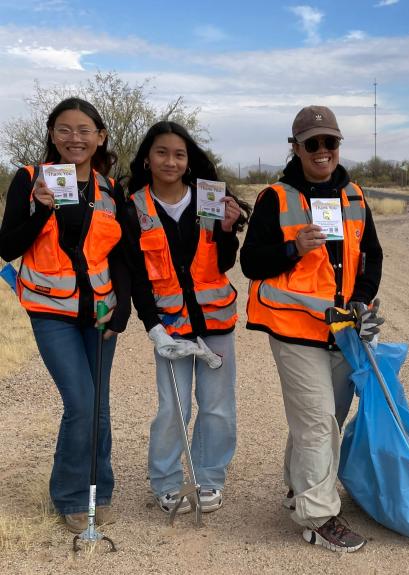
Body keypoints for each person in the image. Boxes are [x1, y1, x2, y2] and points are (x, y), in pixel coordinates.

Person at [241, 105, 383, 552]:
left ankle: (296, 487)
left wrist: (361, 299)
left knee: (323, 420)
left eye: (330, 142)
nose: (323, 151)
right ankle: (318, 516)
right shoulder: (275, 198)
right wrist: (292, 248)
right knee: (319, 421)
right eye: (312, 143)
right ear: (296, 147)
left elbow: (371, 258)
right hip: (294, 328)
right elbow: (250, 264)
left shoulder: (354, 195)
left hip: (342, 329)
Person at [0, 97, 130, 534]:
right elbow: (8, 247)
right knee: (80, 403)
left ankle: (101, 490)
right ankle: (71, 496)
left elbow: (122, 256)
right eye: (64, 129)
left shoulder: (110, 189)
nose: (74, 138)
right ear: (52, 134)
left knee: (99, 406)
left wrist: (121, 311)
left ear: (100, 136)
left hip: (99, 311)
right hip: (51, 311)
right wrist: (41, 211)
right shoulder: (30, 178)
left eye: (84, 130)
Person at [120, 121, 250, 515]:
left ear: (189, 160)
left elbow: (223, 261)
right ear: (147, 158)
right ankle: (166, 481)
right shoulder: (134, 208)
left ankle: (209, 478)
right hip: (170, 329)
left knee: (218, 406)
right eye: (162, 152)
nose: (171, 161)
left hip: (215, 323)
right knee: (173, 408)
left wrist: (227, 230)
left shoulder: (210, 198)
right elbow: (137, 277)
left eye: (179, 154)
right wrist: (152, 327)